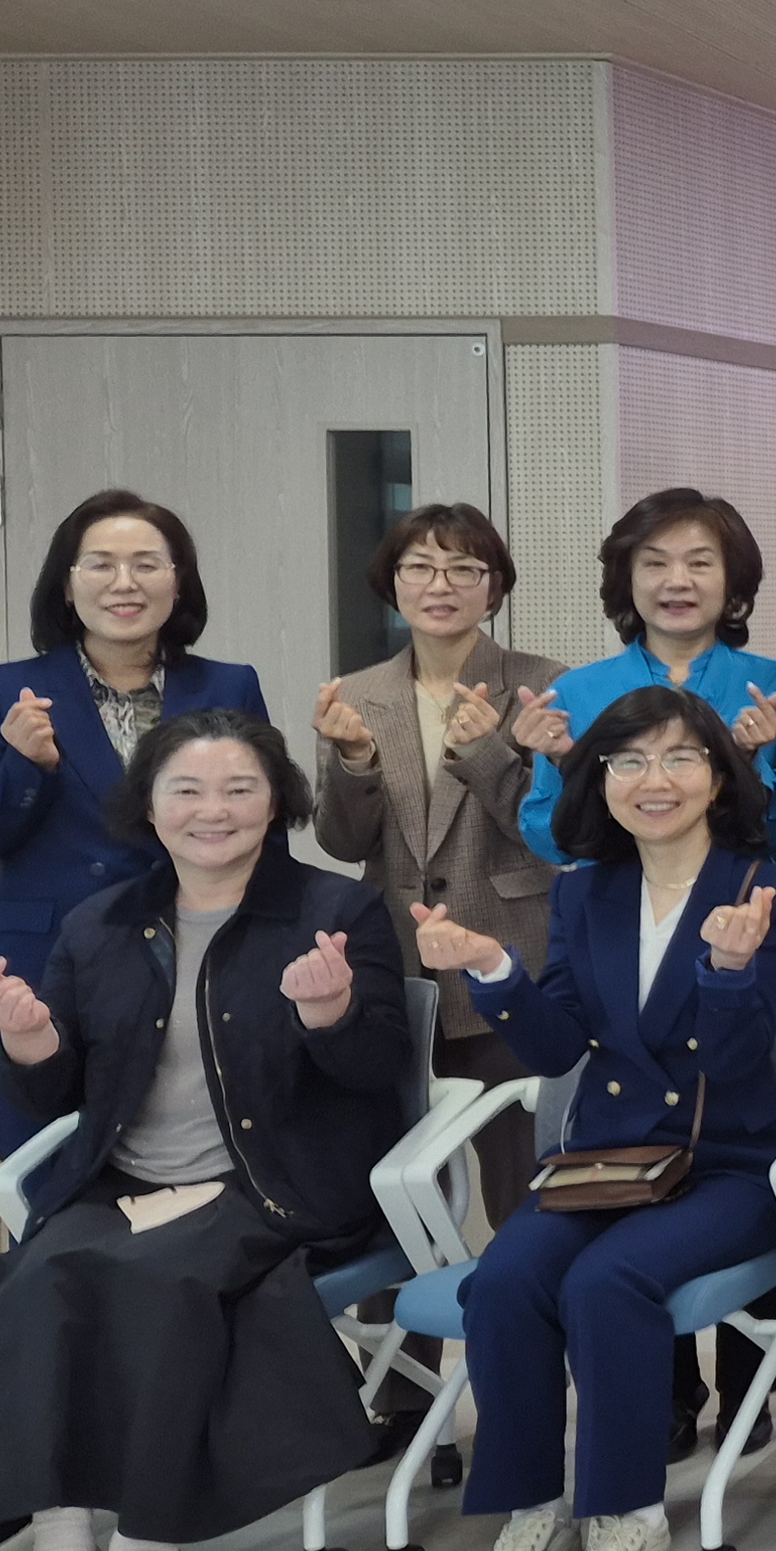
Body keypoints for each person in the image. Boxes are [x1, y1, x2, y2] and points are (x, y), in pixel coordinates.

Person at [0, 712, 410, 1551]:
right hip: (124, 1180)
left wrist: (332, 1013)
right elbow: (57, 1091)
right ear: (150, 807)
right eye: (188, 791)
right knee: (33, 1282)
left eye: (240, 789)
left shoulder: (336, 909)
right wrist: (26, 1041)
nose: (215, 810)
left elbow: (380, 1071)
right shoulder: (102, 922)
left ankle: (145, 1547)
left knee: (157, 1284)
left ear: (278, 802)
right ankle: (61, 1548)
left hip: (270, 1183)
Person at [423, 685, 776, 1551]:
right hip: (608, 1161)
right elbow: (560, 1047)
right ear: (599, 781)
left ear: (718, 776)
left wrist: (728, 972)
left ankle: (629, 1522)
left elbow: (735, 1063)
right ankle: (533, 1516)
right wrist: (492, 971)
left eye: (680, 757)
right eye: (630, 761)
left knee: (608, 1283)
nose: (655, 780)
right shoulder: (583, 891)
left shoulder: (769, 890)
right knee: (504, 1280)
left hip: (727, 1164)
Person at [0, 490, 269, 1151]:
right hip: (46, 968)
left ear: (178, 582)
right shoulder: (4, 691)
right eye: (101, 564)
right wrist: (25, 769)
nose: (124, 583)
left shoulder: (228, 686)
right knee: (46, 1173)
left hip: (195, 958)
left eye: (146, 564)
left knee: (194, 1169)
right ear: (66, 585)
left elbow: (263, 828)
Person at [313, 503, 568, 1220]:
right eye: (420, 567)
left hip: (509, 957)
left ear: (494, 586)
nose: (440, 584)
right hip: (395, 963)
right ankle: (414, 1301)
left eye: (463, 569)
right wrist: (352, 760)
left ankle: (524, 1293)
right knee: (398, 1180)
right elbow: (342, 843)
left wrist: (488, 752)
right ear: (392, 582)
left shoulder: (542, 683)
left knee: (523, 1180)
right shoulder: (356, 695)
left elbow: (553, 833)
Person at [515, 487, 776, 864]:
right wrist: (566, 765)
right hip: (614, 897)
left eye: (699, 564)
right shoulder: (574, 692)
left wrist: (748, 761)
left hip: (743, 897)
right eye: (655, 564)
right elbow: (551, 845)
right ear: (628, 579)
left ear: (732, 579)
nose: (677, 581)